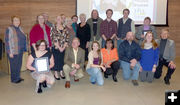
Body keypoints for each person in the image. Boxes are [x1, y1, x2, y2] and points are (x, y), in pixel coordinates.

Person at [5, 16, 27, 83]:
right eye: (15, 20)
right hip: (13, 51)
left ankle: (17, 77)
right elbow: (7, 41)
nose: (17, 21)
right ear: (12, 21)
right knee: (14, 66)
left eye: (18, 20)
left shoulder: (20, 28)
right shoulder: (9, 29)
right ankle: (14, 79)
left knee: (18, 65)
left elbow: (23, 39)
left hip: (20, 50)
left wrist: (24, 49)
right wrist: (9, 52)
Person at [50, 15, 69, 80]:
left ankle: (61, 72)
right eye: (57, 18)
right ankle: (56, 73)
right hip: (56, 47)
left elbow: (67, 38)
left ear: (61, 20)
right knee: (56, 60)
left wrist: (63, 47)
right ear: (55, 20)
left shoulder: (64, 28)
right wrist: (59, 47)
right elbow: (53, 38)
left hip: (63, 47)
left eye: (60, 18)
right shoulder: (53, 27)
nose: (58, 19)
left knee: (61, 60)